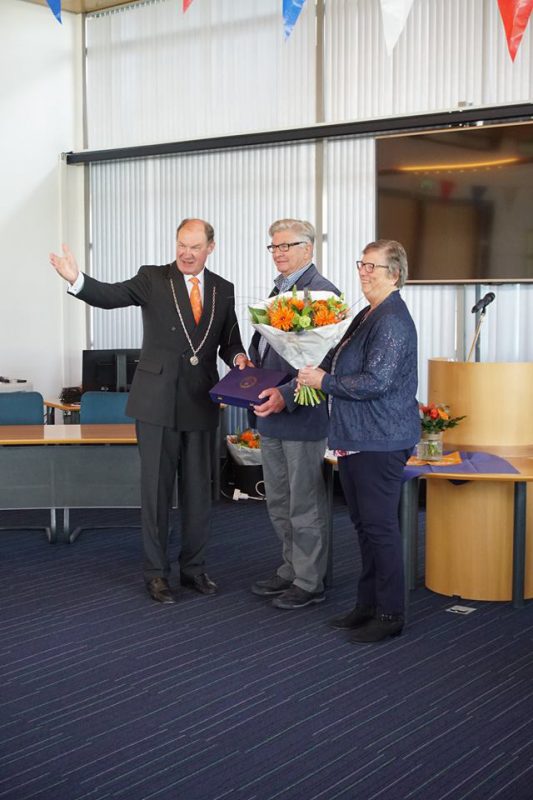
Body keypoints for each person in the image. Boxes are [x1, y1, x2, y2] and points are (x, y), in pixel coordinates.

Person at [50, 218, 251, 604]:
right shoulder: (153, 279)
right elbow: (110, 294)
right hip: (157, 401)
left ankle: (194, 568)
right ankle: (156, 573)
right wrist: (77, 279)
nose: (186, 253)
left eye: (195, 246)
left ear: (211, 247)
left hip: (201, 400)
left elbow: (229, 339)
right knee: (157, 492)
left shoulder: (222, 289)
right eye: (181, 245)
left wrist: (239, 357)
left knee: (199, 493)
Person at [299, 239, 419, 642]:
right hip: (356, 437)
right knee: (365, 528)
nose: (364, 272)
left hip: (380, 439)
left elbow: (376, 382)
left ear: (394, 274)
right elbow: (336, 359)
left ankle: (390, 614)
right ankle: (367, 606)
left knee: (380, 529)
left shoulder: (393, 319)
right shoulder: (367, 313)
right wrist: (309, 368)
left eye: (373, 267)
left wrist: (324, 382)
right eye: (362, 264)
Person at [249, 219, 341, 610]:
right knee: (279, 501)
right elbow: (268, 348)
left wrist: (285, 395)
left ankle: (309, 580)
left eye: (287, 245)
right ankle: (290, 568)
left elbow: (326, 359)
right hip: (270, 414)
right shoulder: (279, 290)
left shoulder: (323, 294)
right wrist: (250, 373)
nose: (279, 253)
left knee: (304, 503)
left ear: (309, 248)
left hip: (301, 415)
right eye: (274, 246)